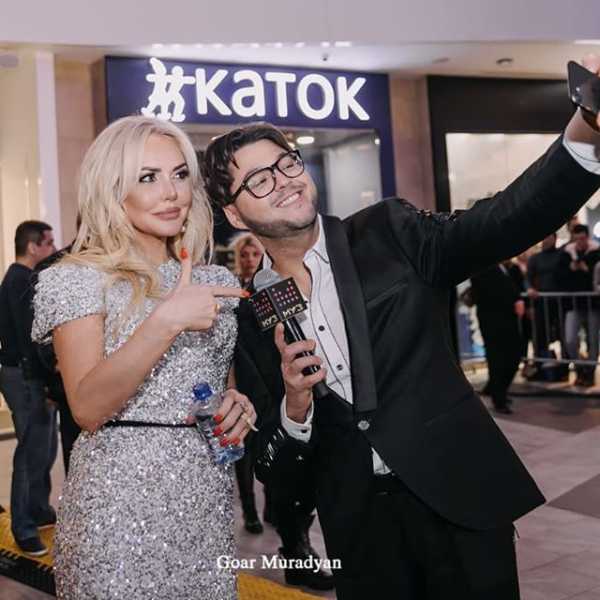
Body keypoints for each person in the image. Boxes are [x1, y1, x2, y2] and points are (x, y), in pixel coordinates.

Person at [200, 57, 600, 600]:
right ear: (234, 214)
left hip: (458, 498)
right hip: (360, 532)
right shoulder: (249, 319)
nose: (286, 182)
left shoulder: (387, 232)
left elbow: (504, 220)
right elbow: (277, 472)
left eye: (287, 163)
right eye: (259, 180)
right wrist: (295, 405)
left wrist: (588, 122)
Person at [31, 116, 254, 600]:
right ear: (112, 190)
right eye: (148, 177)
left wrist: (236, 404)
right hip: (117, 513)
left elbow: (214, 384)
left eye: (180, 174)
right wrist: (165, 320)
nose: (171, 192)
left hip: (207, 504)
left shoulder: (213, 280)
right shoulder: (77, 280)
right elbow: (87, 407)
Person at [0, 220, 58, 556]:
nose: (53, 249)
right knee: (30, 452)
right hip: (24, 376)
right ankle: (23, 526)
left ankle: (38, 509)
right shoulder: (20, 281)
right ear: (33, 246)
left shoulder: (20, 278)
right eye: (49, 243)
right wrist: (47, 382)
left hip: (26, 374)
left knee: (43, 448)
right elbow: (29, 339)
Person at [471, 262, 524, 414]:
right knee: (498, 359)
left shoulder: (504, 268)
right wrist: (516, 299)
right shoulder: (484, 268)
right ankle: (498, 398)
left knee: (512, 357)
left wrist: (517, 298)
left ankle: (498, 391)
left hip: (506, 318)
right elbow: (495, 290)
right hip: (493, 320)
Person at [558, 223, 600, 386]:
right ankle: (580, 366)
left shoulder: (596, 252)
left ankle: (589, 372)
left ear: (587, 237)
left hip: (593, 304)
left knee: (593, 340)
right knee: (570, 339)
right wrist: (574, 268)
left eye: (582, 239)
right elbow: (561, 277)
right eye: (577, 239)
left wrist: (584, 269)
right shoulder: (566, 253)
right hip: (574, 303)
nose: (580, 242)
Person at [526, 233, 569, 381]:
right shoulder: (535, 258)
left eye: (549, 237)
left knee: (563, 335)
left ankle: (564, 369)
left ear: (555, 239)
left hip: (560, 301)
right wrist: (530, 288)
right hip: (542, 301)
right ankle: (541, 369)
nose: (545, 240)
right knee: (540, 335)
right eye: (544, 237)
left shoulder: (562, 255)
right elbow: (528, 277)